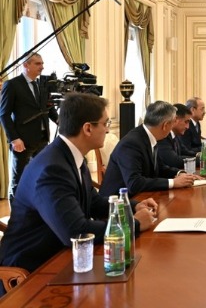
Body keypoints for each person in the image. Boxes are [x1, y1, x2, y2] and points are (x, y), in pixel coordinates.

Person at [0, 93, 157, 279]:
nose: (108, 130)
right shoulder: (52, 168)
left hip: (62, 256)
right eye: (105, 123)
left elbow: (94, 202)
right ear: (88, 128)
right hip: (30, 270)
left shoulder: (70, 155)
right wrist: (133, 224)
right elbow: (76, 232)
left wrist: (131, 206)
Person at [99, 101, 200, 197]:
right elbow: (134, 183)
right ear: (165, 125)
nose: (173, 126)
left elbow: (160, 167)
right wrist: (173, 182)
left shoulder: (150, 136)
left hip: (140, 197)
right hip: (118, 203)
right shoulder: (132, 143)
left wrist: (181, 174)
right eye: (173, 122)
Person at [0, 53, 59, 200]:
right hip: (22, 140)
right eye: (38, 64)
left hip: (42, 139)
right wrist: (14, 139)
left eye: (42, 63)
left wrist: (60, 121)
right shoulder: (12, 85)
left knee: (41, 176)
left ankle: (36, 209)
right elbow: (4, 114)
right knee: (19, 180)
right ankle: (16, 213)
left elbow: (49, 109)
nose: (42, 67)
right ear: (26, 65)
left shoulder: (42, 84)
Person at [156, 103, 197, 171]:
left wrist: (201, 156)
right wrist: (201, 160)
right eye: (186, 122)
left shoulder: (175, 135)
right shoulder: (163, 136)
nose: (187, 127)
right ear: (175, 119)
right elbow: (174, 161)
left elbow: (185, 152)